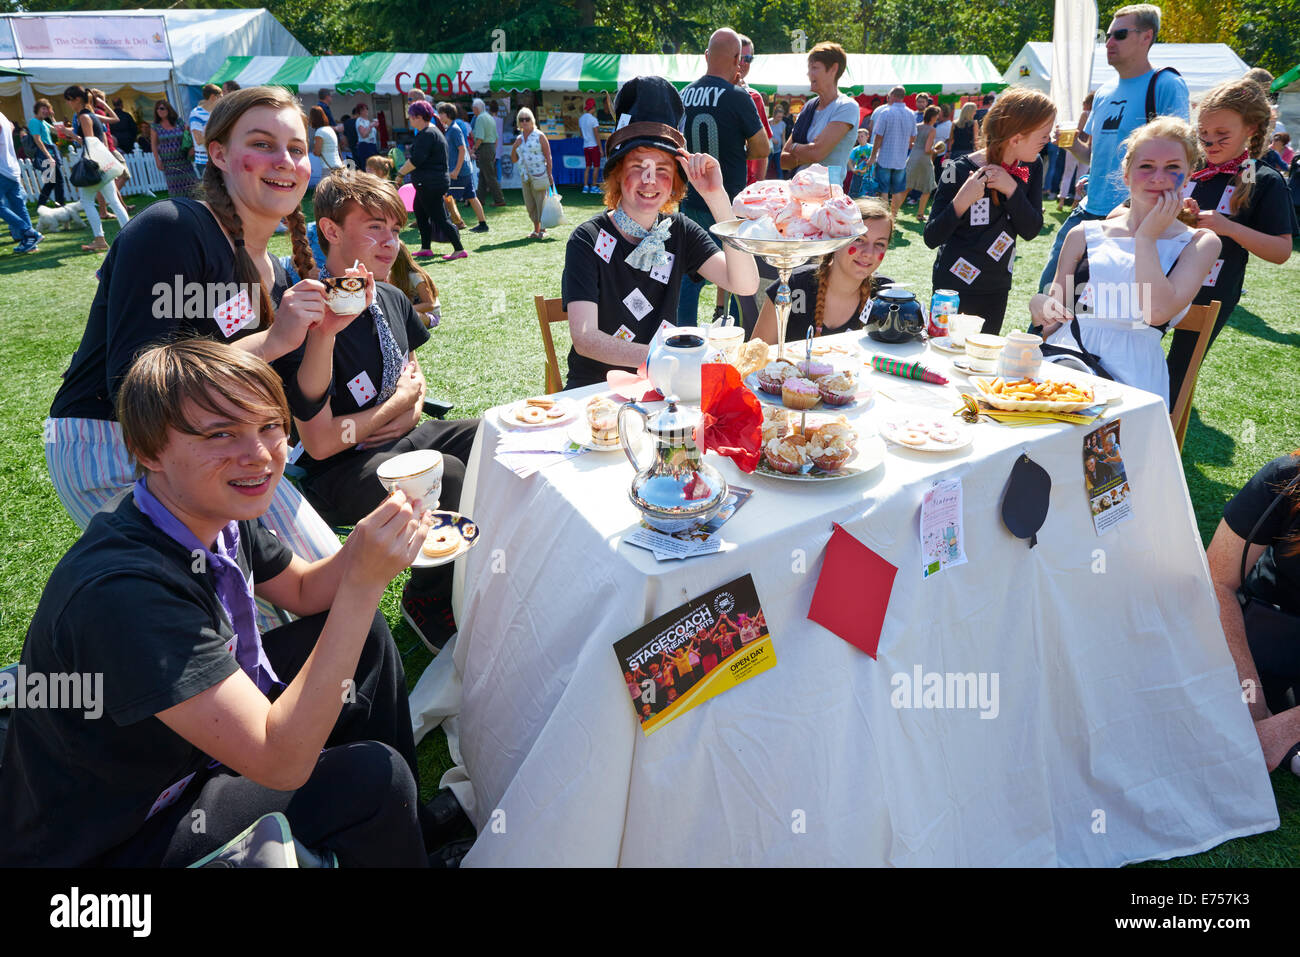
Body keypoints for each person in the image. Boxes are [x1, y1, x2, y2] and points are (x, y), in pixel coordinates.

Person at [0, 338, 445, 867]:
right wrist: (363, 584)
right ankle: (377, 816)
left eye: (269, 427)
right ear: (147, 450)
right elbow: (279, 764)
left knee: (365, 638)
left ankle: (398, 829)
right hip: (114, 834)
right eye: (220, 435)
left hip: (177, 759)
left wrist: (367, 545)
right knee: (373, 779)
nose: (258, 455)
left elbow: (303, 589)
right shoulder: (122, 592)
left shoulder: (211, 513)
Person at [45, 86, 343, 586]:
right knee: (241, 602)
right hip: (120, 446)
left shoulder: (278, 270)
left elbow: (300, 403)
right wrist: (270, 342)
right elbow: (136, 387)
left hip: (228, 443)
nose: (285, 160)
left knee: (320, 573)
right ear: (218, 153)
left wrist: (324, 336)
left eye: (296, 148)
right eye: (263, 144)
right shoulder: (173, 228)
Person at [271, 170, 479, 650]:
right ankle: (425, 600)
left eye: (395, 229)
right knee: (444, 472)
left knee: (488, 435)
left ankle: (475, 569)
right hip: (335, 473)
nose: (390, 243)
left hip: (397, 440)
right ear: (331, 230)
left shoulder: (388, 296)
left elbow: (415, 379)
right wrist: (398, 407)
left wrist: (406, 407)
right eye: (374, 228)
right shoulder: (309, 314)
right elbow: (322, 443)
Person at [561, 75, 758, 389]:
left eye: (662, 169)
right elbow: (586, 339)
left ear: (676, 183)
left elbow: (745, 284)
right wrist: (668, 356)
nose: (650, 180)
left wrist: (716, 197)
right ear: (617, 173)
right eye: (638, 166)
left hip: (664, 387)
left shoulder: (679, 231)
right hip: (595, 390)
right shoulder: (587, 239)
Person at [1029, 117, 1220, 407]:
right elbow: (1055, 316)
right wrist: (1040, 304)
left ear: (1190, 174)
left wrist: (1146, 238)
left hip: (1134, 376)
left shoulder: (1200, 243)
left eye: (1173, 167)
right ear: (1127, 174)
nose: (1158, 177)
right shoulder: (1082, 235)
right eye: (1146, 166)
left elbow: (1156, 312)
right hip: (1065, 360)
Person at [1037, 3, 1190, 292]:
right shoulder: (1104, 92)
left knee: (1104, 306)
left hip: (1133, 218)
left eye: (1119, 35)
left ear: (1146, 37)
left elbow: (1181, 154)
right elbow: (1091, 155)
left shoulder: (1166, 84)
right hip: (1087, 209)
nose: (1108, 43)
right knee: (1051, 294)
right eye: (1106, 35)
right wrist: (1070, 146)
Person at [1164, 78, 1296, 403]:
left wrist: (1229, 227)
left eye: (1222, 136)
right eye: (1203, 134)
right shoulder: (1188, 165)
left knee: (1175, 375)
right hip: (1157, 279)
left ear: (1251, 129)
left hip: (1210, 294)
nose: (1209, 144)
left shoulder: (1258, 177)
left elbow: (1281, 251)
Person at [924, 88, 1055, 335]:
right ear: (1016, 138)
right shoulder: (955, 168)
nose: (1048, 140)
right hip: (952, 289)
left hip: (996, 288)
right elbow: (931, 237)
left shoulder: (1030, 167)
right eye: (1044, 134)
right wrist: (962, 201)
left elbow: (1031, 229)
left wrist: (1011, 190)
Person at [1207, 449, 1300, 775]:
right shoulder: (1288, 477)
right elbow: (1218, 582)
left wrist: (1290, 726)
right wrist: (1254, 707)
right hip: (1267, 639)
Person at [676, 28, 768, 326]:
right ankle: (741, 334)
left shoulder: (682, 95)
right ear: (738, 60)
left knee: (689, 279)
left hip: (689, 200)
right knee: (740, 274)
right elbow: (762, 147)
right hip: (727, 202)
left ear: (706, 57)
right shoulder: (738, 96)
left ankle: (684, 336)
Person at [753, 198, 894, 343]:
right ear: (834, 238)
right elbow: (756, 356)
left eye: (879, 244)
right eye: (858, 239)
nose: (869, 253)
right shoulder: (792, 285)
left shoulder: (888, 296)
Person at [62, 86, 131, 253]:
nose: (68, 103)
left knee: (87, 201)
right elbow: (108, 124)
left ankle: (100, 239)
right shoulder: (90, 115)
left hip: (93, 165)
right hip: (101, 164)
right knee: (114, 201)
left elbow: (89, 142)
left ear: (76, 99)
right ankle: (130, 234)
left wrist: (70, 135)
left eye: (69, 99)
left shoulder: (84, 117)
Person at [398, 100, 466, 260]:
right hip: (427, 183)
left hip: (431, 184)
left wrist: (400, 174)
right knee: (420, 214)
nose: (409, 119)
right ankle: (426, 247)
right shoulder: (429, 132)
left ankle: (459, 249)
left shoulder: (428, 134)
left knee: (439, 217)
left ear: (419, 117)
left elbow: (416, 160)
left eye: (411, 116)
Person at [781, 41, 857, 181]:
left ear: (834, 69)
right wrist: (807, 151)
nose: (809, 73)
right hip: (798, 191)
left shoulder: (846, 106)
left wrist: (795, 147)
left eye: (814, 67)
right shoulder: (809, 107)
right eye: (809, 68)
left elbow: (816, 154)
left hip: (827, 195)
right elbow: (783, 160)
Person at [865, 85, 916, 217]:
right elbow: (913, 138)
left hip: (885, 158)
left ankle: (884, 216)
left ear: (891, 96)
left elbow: (878, 137)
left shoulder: (886, 112)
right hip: (900, 159)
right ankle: (893, 216)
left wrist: (872, 156)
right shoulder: (911, 113)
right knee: (897, 190)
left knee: (883, 189)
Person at [439, 102, 488, 233]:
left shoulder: (454, 130)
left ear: (448, 115)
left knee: (446, 197)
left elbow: (462, 150)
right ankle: (482, 224)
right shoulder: (450, 129)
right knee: (471, 197)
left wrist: (456, 170)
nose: (439, 116)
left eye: (441, 113)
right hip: (463, 171)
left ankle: (451, 224)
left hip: (459, 172)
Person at [0, 110, 43, 254]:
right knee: (19, 206)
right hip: (11, 168)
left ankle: (29, 232)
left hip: (2, 170)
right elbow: (11, 126)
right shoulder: (2, 115)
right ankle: (31, 242)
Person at [510, 107, 553, 240]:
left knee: (541, 202)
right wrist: (514, 147)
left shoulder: (539, 135)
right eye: (521, 120)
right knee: (530, 204)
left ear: (532, 120)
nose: (524, 122)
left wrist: (550, 174)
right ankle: (536, 229)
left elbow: (548, 156)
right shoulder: (519, 138)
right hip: (525, 176)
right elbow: (514, 159)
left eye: (527, 119)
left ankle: (543, 229)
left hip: (539, 174)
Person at [738, 34, 774, 186]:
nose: (743, 62)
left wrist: (757, 187)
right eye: (739, 56)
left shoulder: (754, 97)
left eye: (748, 59)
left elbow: (763, 151)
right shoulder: (710, 92)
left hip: (743, 185)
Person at [150, 99, 201, 200]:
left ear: (168, 109)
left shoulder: (179, 122)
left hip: (184, 160)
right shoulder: (155, 126)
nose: (159, 111)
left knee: (192, 185)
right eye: (157, 109)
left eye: (162, 108)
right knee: (175, 190)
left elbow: (189, 134)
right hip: (169, 164)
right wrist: (157, 161)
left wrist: (192, 147)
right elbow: (154, 145)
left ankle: (197, 205)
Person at [389, 240, 441, 327]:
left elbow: (430, 305)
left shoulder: (415, 276)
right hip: (406, 312)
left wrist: (404, 309)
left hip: (428, 315)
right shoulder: (391, 275)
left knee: (412, 316)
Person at [1057, 93, 1094, 212]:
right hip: (1088, 147)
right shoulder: (1096, 115)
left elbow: (1078, 130)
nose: (1083, 104)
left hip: (1078, 145)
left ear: (1088, 103)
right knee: (1081, 177)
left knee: (1068, 174)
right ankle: (1075, 202)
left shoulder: (1085, 114)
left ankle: (1062, 201)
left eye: (1084, 102)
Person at [906, 105, 941, 222]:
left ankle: (893, 213)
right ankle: (920, 214)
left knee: (905, 187)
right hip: (924, 160)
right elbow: (927, 149)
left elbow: (910, 144)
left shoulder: (916, 126)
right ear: (933, 117)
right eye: (937, 116)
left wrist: (917, 147)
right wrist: (936, 150)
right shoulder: (932, 130)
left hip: (912, 158)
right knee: (927, 188)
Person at [471, 97, 505, 206]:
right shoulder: (489, 117)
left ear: (477, 108)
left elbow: (480, 137)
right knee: (483, 175)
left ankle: (499, 200)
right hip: (490, 147)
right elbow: (496, 137)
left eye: (473, 108)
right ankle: (480, 200)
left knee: (489, 176)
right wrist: (493, 150)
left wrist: (474, 149)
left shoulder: (480, 118)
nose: (472, 110)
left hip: (484, 148)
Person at [189, 83, 221, 177]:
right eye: (220, 97)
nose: (222, 100)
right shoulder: (196, 114)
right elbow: (198, 140)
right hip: (204, 161)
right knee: (211, 191)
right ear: (213, 97)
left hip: (218, 158)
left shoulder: (217, 113)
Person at [310, 105, 344, 182]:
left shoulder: (319, 132)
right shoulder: (330, 129)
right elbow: (338, 148)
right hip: (338, 165)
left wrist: (314, 151)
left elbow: (317, 152)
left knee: (325, 192)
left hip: (328, 168)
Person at [579, 97, 602, 194]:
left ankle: (585, 187)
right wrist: (601, 148)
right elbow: (597, 135)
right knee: (596, 166)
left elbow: (580, 134)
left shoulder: (581, 118)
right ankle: (593, 186)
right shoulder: (593, 120)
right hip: (594, 146)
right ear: (593, 107)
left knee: (587, 167)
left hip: (586, 146)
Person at [352, 103, 379, 169]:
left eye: (366, 109)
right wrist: (371, 126)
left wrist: (376, 126)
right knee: (367, 167)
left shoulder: (368, 121)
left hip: (372, 145)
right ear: (359, 112)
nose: (365, 111)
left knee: (374, 167)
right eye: (362, 109)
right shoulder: (359, 120)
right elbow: (363, 135)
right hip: (365, 146)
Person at [848, 128, 873, 198]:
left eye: (862, 136)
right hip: (857, 173)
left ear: (867, 136)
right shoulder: (855, 149)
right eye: (858, 137)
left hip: (869, 175)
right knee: (854, 192)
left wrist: (867, 169)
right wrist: (853, 169)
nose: (860, 138)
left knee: (867, 193)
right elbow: (849, 160)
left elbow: (874, 159)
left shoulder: (871, 147)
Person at [768, 101, 788, 179]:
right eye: (778, 117)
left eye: (781, 117)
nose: (780, 119)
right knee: (765, 168)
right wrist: (772, 139)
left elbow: (783, 138)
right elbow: (764, 135)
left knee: (779, 169)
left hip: (778, 150)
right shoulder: (768, 122)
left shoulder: (783, 124)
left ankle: (781, 183)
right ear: (774, 115)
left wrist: (784, 149)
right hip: (769, 150)